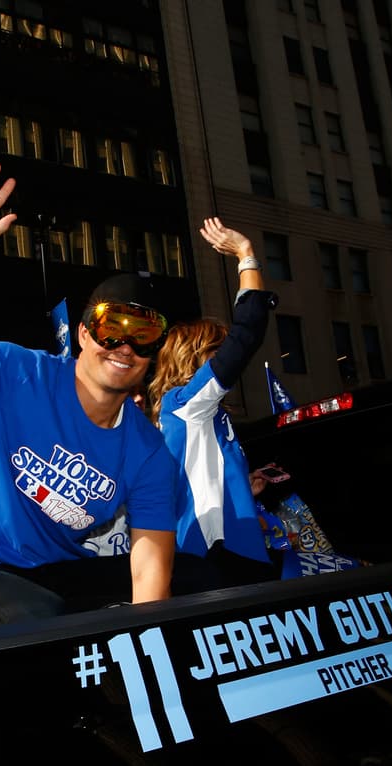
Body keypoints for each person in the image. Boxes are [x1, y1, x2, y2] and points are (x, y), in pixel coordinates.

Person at [0, 160, 195, 629]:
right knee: (39, 620)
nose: (125, 346)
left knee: (201, 579)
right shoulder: (14, 373)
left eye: (143, 334)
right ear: (85, 334)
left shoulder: (148, 454)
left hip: (57, 569)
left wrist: (146, 647)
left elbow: (150, 569)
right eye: (111, 329)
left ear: (154, 352)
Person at [146, 217, 278, 583]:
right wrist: (245, 255)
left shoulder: (191, 412)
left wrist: (236, 485)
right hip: (217, 560)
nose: (226, 359)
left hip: (220, 555)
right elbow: (247, 333)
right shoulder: (187, 404)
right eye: (216, 351)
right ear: (195, 356)